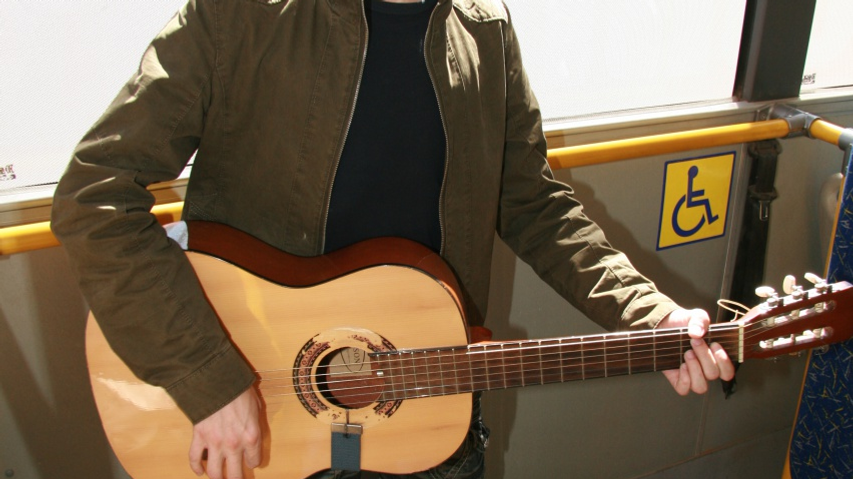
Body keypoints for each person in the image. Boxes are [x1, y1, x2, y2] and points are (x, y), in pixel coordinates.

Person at [51, 0, 735, 478]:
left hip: (428, 431)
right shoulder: (243, 14)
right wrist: (208, 380)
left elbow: (533, 203)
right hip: (255, 429)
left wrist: (649, 314)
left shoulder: (485, 32)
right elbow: (93, 196)